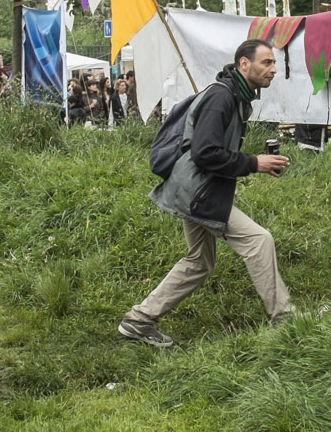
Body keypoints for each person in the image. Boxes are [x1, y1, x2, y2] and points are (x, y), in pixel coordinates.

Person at [121, 40, 296, 347]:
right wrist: (254, 163)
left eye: (274, 63)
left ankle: (138, 320)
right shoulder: (221, 97)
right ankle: (284, 318)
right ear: (244, 64)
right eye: (266, 63)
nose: (273, 69)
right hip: (197, 192)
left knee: (199, 261)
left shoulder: (234, 97)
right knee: (258, 241)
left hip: (191, 189)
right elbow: (205, 153)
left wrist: (253, 163)